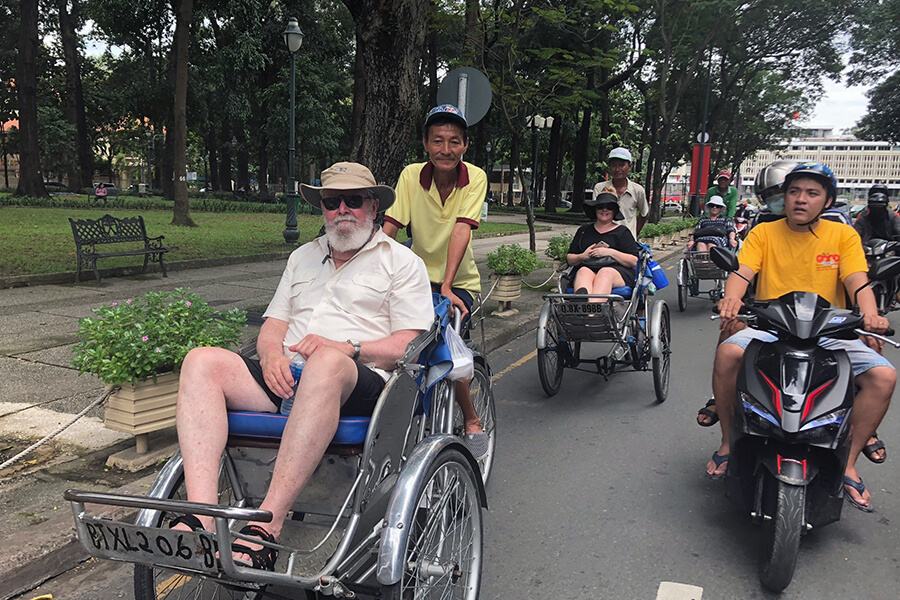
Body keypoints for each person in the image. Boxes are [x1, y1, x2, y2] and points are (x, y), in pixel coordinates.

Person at [172, 162, 433, 569]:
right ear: (323, 209)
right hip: (288, 379)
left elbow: (408, 343)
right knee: (201, 360)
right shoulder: (302, 257)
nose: (342, 209)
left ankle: (266, 525)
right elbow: (273, 324)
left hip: (358, 382)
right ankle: (203, 517)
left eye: (353, 200)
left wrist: (348, 347)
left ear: (373, 207)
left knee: (327, 361)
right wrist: (272, 354)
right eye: (332, 202)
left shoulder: (401, 263)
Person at [707, 163, 895, 513]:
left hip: (830, 332)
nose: (800, 200)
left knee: (883, 376)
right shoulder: (764, 233)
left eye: (812, 193)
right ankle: (728, 442)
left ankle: (849, 462)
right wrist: (732, 297)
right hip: (770, 329)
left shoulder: (843, 236)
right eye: (794, 192)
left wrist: (870, 315)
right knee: (728, 353)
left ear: (827, 202)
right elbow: (742, 272)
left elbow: (858, 282)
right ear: (784, 196)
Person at [382, 104, 490, 458]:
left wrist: (446, 284)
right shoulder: (411, 176)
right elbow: (391, 229)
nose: (446, 149)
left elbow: (461, 229)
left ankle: (471, 418)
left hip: (457, 283)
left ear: (465, 145)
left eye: (454, 142)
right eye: (438, 141)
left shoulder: (475, 177)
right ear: (425, 144)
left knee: (445, 342)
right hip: (415, 280)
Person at [566, 187, 640, 301]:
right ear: (595, 210)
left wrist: (610, 252)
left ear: (614, 211)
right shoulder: (584, 231)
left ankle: (590, 311)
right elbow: (570, 258)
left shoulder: (622, 232)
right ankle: (583, 303)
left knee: (605, 272)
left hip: (616, 272)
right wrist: (583, 256)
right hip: (588, 268)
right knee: (583, 271)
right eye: (600, 207)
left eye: (609, 207)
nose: (604, 210)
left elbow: (633, 261)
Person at [592, 147, 649, 238]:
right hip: (604, 241)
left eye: (621, 165)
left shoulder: (637, 190)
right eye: (613, 165)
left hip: (627, 245)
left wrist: (633, 234)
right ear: (609, 166)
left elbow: (644, 214)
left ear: (630, 166)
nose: (617, 169)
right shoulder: (600, 188)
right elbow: (595, 215)